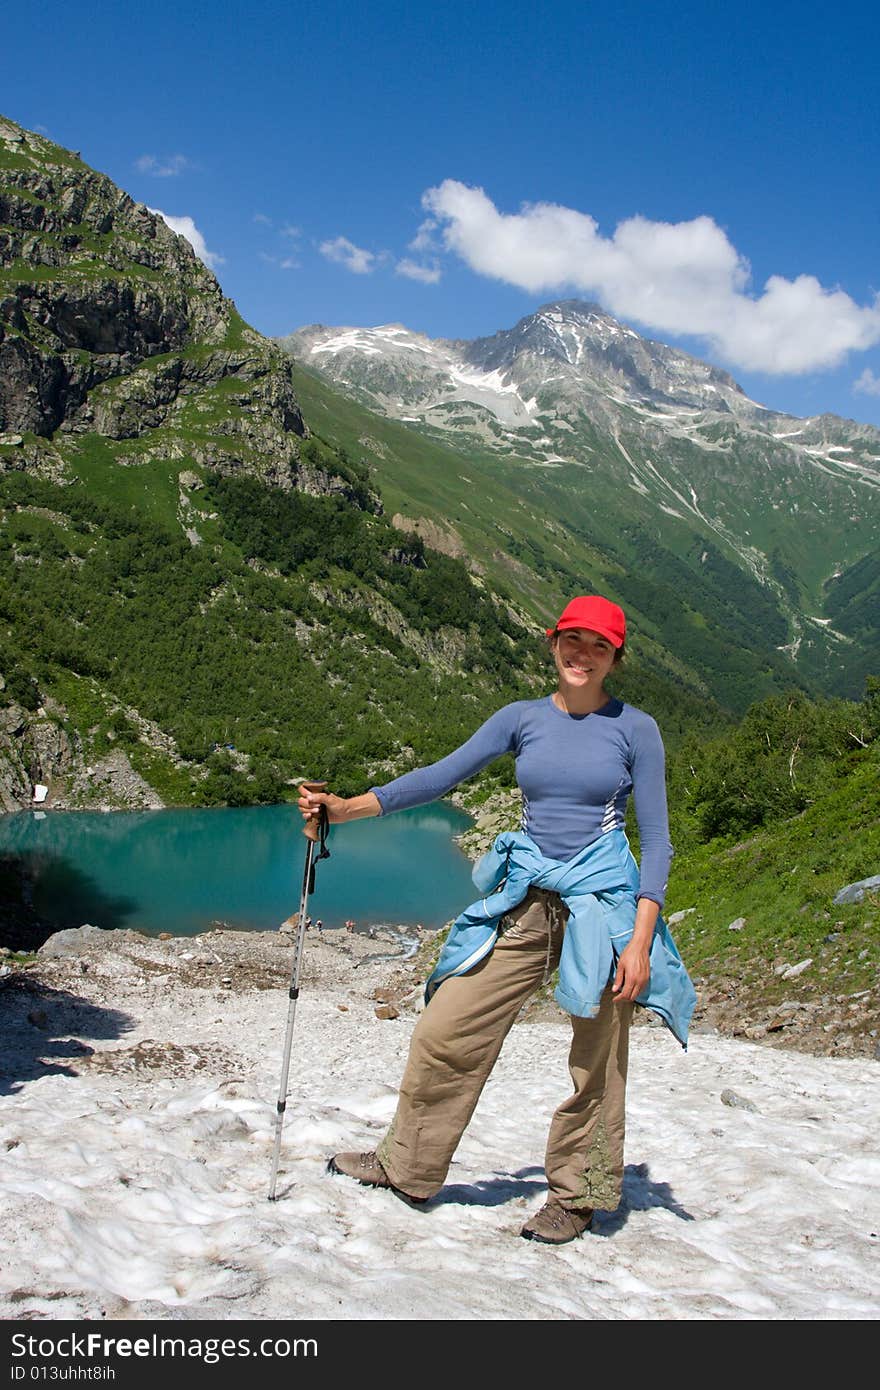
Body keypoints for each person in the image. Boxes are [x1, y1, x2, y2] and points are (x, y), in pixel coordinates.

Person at [297, 595, 695, 1245]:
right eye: (572, 639)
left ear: (616, 659)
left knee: (597, 1061)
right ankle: (409, 1165)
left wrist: (642, 943)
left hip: (603, 907)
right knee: (446, 1027)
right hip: (530, 898)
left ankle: (578, 1193)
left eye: (598, 645)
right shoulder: (522, 719)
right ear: (552, 643)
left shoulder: (635, 730)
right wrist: (345, 810)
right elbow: (438, 777)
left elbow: (657, 838)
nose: (581, 653)